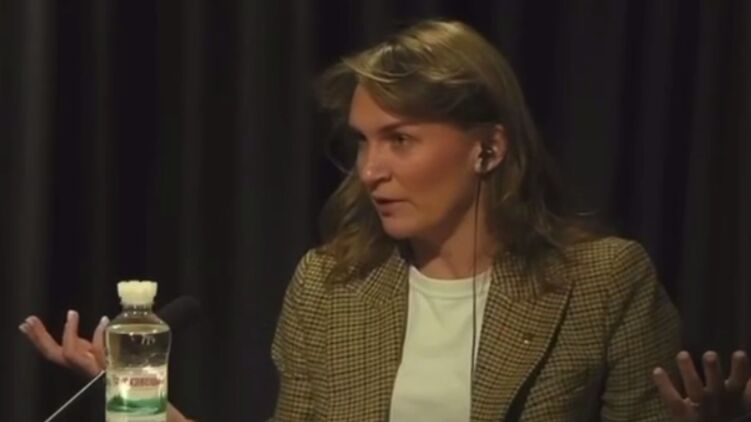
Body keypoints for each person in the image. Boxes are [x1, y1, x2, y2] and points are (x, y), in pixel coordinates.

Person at [22, 19, 683, 421]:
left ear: (487, 148)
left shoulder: (603, 282)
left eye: (400, 140)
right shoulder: (330, 284)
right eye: (364, 142)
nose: (370, 171)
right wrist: (138, 396)